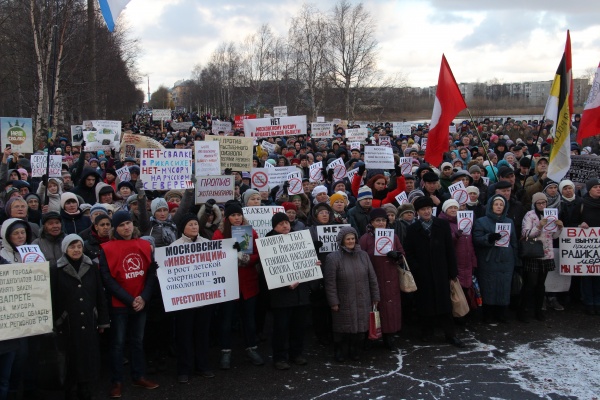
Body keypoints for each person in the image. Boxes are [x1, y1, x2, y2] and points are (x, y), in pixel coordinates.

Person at [99, 211, 159, 398]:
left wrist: (144, 297)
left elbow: (151, 274)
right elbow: (107, 279)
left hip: (140, 302)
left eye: (129, 223)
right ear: (115, 228)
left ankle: (138, 376)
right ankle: (117, 381)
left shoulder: (145, 245)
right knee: (117, 344)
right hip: (120, 304)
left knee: (137, 341)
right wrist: (129, 299)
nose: (126, 227)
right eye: (122, 224)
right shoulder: (106, 248)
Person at [51, 234, 109, 400]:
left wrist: (103, 320)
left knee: (88, 356)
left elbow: (99, 295)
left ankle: (86, 388)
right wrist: (57, 320)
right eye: (72, 246)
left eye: (78, 246)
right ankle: (70, 388)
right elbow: (54, 297)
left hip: (89, 320)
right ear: (65, 249)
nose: (76, 250)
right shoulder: (57, 270)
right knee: (70, 357)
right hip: (68, 322)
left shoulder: (91, 267)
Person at [404, 197, 464, 348]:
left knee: (445, 305)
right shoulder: (412, 229)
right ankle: (426, 332)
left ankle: (450, 335)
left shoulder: (442, 225)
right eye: (422, 209)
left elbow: (449, 249)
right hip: (423, 273)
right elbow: (409, 252)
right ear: (417, 212)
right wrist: (416, 268)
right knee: (425, 304)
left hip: (441, 271)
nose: (426, 211)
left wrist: (452, 271)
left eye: (428, 209)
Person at [212, 203, 264, 369]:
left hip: (248, 284)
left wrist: (247, 259)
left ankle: (251, 349)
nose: (237, 218)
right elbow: (215, 256)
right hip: (228, 285)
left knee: (249, 320)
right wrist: (231, 255)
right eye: (233, 215)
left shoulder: (251, 232)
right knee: (226, 321)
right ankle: (225, 352)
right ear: (227, 218)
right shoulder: (219, 234)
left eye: (239, 215)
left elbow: (258, 253)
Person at [266, 213, 315, 370]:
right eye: (281, 223)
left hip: (300, 293)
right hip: (281, 295)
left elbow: (305, 262)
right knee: (281, 328)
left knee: (298, 326)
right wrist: (285, 283)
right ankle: (279, 357)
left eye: (286, 222)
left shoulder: (299, 239)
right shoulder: (268, 242)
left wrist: (313, 264)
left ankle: (296, 354)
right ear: (274, 226)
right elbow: (268, 269)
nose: (285, 226)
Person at [171, 214, 216, 383]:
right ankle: (184, 369)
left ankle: (202, 366)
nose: (194, 227)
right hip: (185, 301)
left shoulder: (207, 244)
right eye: (190, 224)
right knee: (184, 335)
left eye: (196, 224)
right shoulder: (175, 246)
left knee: (202, 333)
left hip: (204, 298)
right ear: (183, 227)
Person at [325, 226, 380, 362]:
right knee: (341, 329)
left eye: (353, 238)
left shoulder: (363, 255)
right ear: (342, 241)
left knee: (361, 328)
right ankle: (339, 351)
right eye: (347, 239)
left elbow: (372, 278)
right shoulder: (333, 258)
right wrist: (333, 301)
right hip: (343, 299)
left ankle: (354, 351)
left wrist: (375, 297)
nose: (350, 241)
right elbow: (330, 283)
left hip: (363, 298)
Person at [359, 208, 404, 349]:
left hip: (391, 278)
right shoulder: (365, 238)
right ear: (372, 222)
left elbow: (402, 254)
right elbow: (360, 257)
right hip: (374, 278)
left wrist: (397, 256)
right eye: (377, 220)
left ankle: (389, 336)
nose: (381, 223)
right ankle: (371, 335)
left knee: (391, 308)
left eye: (383, 220)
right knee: (375, 307)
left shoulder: (393, 237)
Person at [472, 194, 519, 324]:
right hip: (489, 259)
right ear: (491, 206)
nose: (498, 207)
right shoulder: (481, 221)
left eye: (501, 204)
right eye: (496, 204)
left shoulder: (509, 221)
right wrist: (489, 238)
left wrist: (516, 259)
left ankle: (502, 313)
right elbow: (476, 239)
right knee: (489, 286)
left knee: (504, 286)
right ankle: (488, 314)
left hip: (506, 259)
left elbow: (514, 241)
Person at [519, 192, 563, 322]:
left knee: (541, 285)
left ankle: (538, 311)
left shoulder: (551, 215)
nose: (542, 205)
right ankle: (523, 311)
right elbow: (526, 233)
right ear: (534, 204)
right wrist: (539, 226)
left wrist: (560, 228)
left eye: (544, 202)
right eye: (539, 203)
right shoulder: (530, 215)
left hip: (547, 253)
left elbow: (553, 236)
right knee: (530, 283)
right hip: (533, 253)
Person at [439, 199, 478, 325]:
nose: (454, 210)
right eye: (451, 208)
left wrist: (473, 260)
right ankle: (455, 317)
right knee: (455, 291)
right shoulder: (442, 223)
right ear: (445, 210)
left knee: (466, 290)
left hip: (466, 262)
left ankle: (465, 315)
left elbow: (470, 244)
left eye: (455, 208)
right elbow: (445, 242)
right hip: (455, 262)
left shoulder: (465, 222)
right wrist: (456, 235)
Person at [578, 178, 600, 315]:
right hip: (585, 245)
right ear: (589, 189)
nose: (598, 189)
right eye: (595, 187)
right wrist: (580, 225)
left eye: (599, 186)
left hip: (598, 245)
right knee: (586, 275)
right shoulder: (582, 203)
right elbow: (574, 221)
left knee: (598, 275)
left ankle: (597, 302)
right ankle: (588, 302)